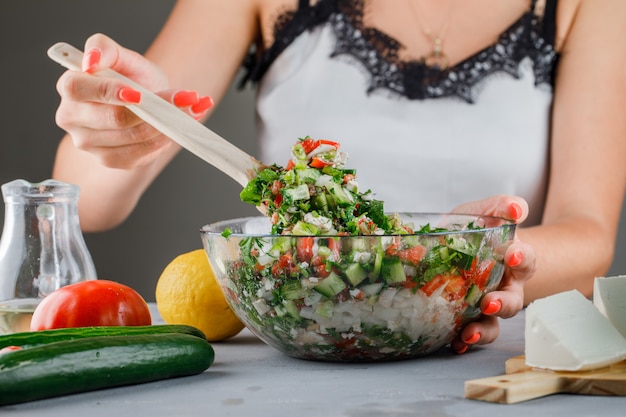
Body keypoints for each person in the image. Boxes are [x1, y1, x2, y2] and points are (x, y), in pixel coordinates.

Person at [51, 0, 626, 354]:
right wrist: (117, 134)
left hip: (484, 354)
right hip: (299, 342)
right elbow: (90, 203)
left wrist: (487, 259)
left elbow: (590, 235)